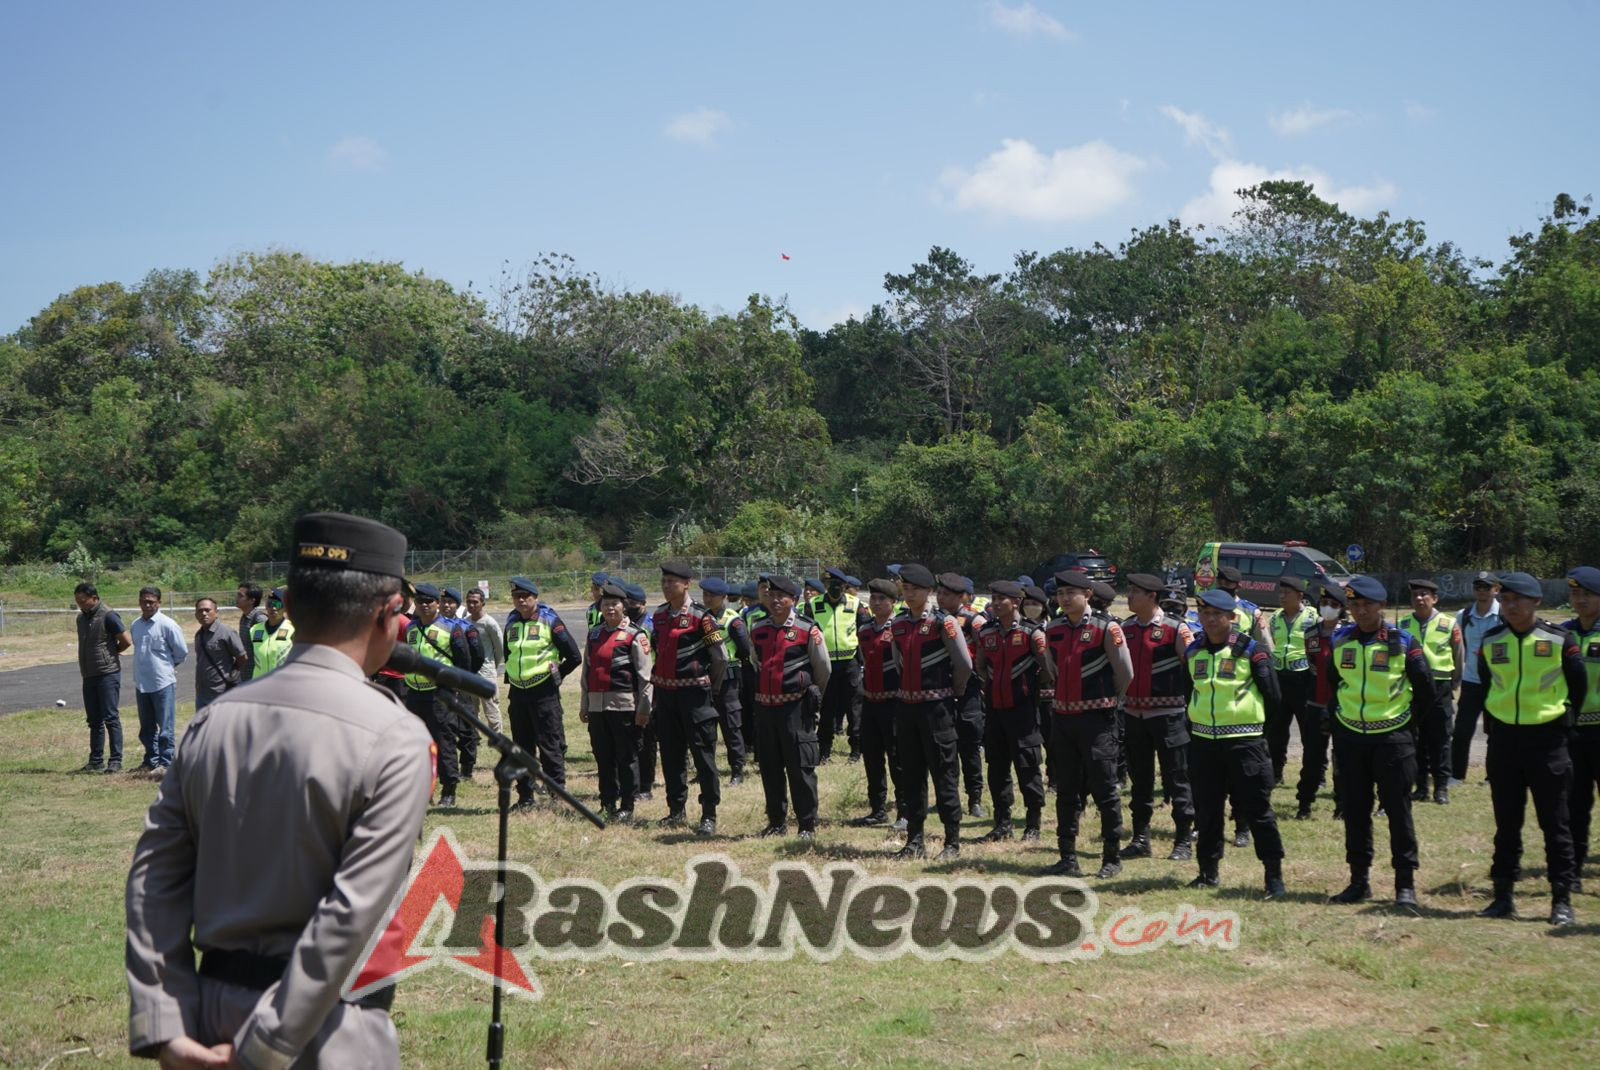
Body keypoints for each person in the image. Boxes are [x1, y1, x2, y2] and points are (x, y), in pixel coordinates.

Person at [125, 511, 431, 1068]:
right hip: (326, 1029)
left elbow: (154, 878)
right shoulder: (394, 737)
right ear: (391, 615)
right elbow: (351, 913)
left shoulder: (212, 721)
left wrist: (164, 1022)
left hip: (207, 1017)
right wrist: (268, 1043)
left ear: (286, 609)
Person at [1475, 571, 1586, 926]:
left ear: (1536, 602)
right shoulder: (1492, 641)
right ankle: (1503, 896)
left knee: (1555, 824)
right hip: (1505, 743)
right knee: (1507, 823)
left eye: (1518, 600)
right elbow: (1487, 686)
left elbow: (1577, 687)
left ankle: (1561, 899)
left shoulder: (1559, 639)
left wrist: (1559, 721)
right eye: (1505, 600)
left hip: (1548, 742)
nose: (1511, 606)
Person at [1319, 575, 1434, 908]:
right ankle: (1358, 880)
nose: (1360, 611)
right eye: (1354, 605)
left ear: (1381, 606)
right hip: (1351, 738)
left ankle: (1405, 885)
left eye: (1367, 605)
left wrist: (1407, 726)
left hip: (1393, 739)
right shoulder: (1341, 641)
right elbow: (1334, 684)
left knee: (1398, 811)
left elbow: (1425, 690)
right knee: (1355, 811)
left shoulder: (1403, 641)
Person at [1180, 588, 1287, 898]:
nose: (1210, 619)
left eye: (1217, 614)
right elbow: (1189, 694)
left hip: (1244, 743)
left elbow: (1274, 698)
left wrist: (1257, 733)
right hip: (1204, 745)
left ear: (1232, 617)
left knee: (1258, 811)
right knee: (1207, 811)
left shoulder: (1252, 651)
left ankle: (1273, 876)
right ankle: (1207, 871)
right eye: (1205, 613)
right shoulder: (1193, 652)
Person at [1040, 572, 1133, 878]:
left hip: (1097, 721)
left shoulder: (1107, 627)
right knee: (1066, 790)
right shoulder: (1052, 629)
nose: (1065, 598)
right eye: (1061, 592)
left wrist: (1106, 701)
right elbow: (1051, 670)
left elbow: (1124, 673)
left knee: (1105, 789)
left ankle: (1111, 858)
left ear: (1088, 594)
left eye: (1072, 592)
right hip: (1063, 719)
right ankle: (1067, 857)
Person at [888, 563, 974, 860]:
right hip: (907, 709)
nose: (909, 595)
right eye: (906, 589)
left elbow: (964, 664)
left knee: (944, 773)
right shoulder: (897, 625)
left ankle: (952, 841)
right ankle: (915, 839)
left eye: (915, 590)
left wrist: (954, 692)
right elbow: (897, 662)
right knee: (911, 774)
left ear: (929, 592)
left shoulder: (943, 623)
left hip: (937, 709)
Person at [1119, 573, 1197, 861]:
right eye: (1128, 591)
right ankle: (1140, 839)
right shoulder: (1125, 628)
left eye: (1134, 592)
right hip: (1133, 715)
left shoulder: (1175, 629)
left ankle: (1183, 841)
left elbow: (1192, 669)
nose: (1128, 596)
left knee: (1177, 779)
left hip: (1169, 716)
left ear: (1151, 596)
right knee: (1140, 781)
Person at [748, 576, 832, 838]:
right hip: (765, 709)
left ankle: (806, 824)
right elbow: (755, 662)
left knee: (800, 768)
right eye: (771, 595)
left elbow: (823, 670)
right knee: (770, 768)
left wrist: (810, 696)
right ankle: (776, 822)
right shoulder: (758, 628)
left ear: (793, 600)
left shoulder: (808, 629)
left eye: (781, 596)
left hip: (795, 709)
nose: (774, 600)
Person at [650, 560, 730, 835]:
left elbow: (720, 657)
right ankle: (675, 809)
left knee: (703, 755)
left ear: (686, 584)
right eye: (663, 582)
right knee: (671, 755)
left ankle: (709, 813)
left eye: (672, 582)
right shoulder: (659, 617)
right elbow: (656, 652)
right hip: (666, 697)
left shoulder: (701, 617)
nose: (666, 586)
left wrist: (711, 689)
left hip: (694, 697)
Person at [971, 580, 1047, 844]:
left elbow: (1047, 670)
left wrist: (1029, 690)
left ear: (1016, 602)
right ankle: (1002, 823)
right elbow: (980, 665)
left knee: (1028, 767)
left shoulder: (1032, 633)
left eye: (1001, 598)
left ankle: (1033, 825)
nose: (995, 602)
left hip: (1023, 711)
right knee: (997, 768)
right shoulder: (986, 632)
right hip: (994, 709)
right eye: (993, 597)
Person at [503, 576, 581, 809]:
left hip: (543, 693)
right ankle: (525, 797)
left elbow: (574, 656)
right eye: (517, 596)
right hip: (518, 693)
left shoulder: (550, 621)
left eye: (526, 596)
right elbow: (509, 654)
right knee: (522, 747)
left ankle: (556, 795)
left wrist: (555, 677)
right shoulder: (512, 621)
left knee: (550, 745)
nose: (521, 600)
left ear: (535, 598)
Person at [580, 581, 653, 821]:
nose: (610, 609)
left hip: (624, 708)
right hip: (598, 707)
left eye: (615, 604)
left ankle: (627, 805)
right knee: (603, 757)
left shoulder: (635, 635)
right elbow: (586, 674)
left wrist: (644, 709)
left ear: (624, 607)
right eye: (606, 604)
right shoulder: (594, 635)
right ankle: (607, 801)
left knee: (626, 757)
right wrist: (584, 704)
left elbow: (645, 678)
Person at [402, 582, 473, 808]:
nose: (424, 605)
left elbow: (464, 661)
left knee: (444, 743)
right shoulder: (411, 628)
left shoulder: (451, 628)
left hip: (439, 696)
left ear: (437, 604)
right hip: (414, 694)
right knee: (416, 745)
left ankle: (449, 790)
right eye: (419, 601)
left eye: (429, 601)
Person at [1396, 579, 1463, 804]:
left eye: (1424, 594)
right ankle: (1421, 787)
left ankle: (1441, 788)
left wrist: (1454, 683)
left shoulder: (1449, 623)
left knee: (1441, 739)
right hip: (1413, 689)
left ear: (1435, 598)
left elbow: (1458, 654)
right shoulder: (1403, 624)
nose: (1419, 599)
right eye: (1415, 595)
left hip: (1440, 687)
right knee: (1416, 739)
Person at [852, 578, 907, 830]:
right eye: (872, 598)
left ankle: (905, 812)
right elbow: (864, 660)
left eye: (881, 599)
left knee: (898, 759)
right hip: (870, 702)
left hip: (894, 702)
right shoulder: (864, 629)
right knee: (872, 758)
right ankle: (877, 809)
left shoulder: (900, 627)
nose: (876, 603)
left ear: (893, 602)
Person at [935, 572, 988, 818]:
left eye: (947, 594)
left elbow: (986, 653)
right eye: (939, 593)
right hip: (941, 689)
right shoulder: (935, 620)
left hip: (969, 690)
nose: (940, 598)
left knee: (970, 745)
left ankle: (974, 797)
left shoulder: (974, 621)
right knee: (945, 747)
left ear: (961, 597)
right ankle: (947, 795)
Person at [1562, 567, 1600, 889]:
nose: (1580, 600)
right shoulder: (1563, 634)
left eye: (1586, 594)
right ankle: (1572, 871)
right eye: (1575, 594)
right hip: (1573, 734)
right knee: (1574, 805)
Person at [1266, 577, 1320, 788]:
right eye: (1280, 593)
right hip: (1281, 678)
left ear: (1299, 596)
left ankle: (1316, 774)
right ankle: (1276, 772)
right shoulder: (1276, 618)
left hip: (1304, 679)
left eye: (1286, 593)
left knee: (1310, 731)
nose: (1282, 597)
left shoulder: (1313, 617)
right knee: (1277, 731)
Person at [1450, 571, 1502, 784]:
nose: (1482, 591)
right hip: (1471, 682)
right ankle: (1456, 775)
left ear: (1496, 589)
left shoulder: (1504, 615)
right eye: (1478, 587)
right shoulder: (1464, 615)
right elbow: (1457, 645)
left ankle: (1493, 776)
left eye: (1487, 587)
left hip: (1497, 683)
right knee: (1462, 731)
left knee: (1496, 733)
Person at [130, 586, 188, 775]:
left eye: (151, 602)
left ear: (159, 603)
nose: (147, 605)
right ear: (139, 602)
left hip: (162, 682)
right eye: (144, 601)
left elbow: (181, 653)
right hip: (142, 683)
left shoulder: (168, 625)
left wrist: (166, 667)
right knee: (146, 727)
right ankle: (151, 760)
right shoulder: (135, 625)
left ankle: (166, 763)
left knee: (165, 726)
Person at [1301, 581, 1346, 819]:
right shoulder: (1310, 633)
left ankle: (1341, 805)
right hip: (1315, 704)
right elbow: (1311, 666)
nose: (1328, 607)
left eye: (1333, 604)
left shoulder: (1347, 634)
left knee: (1342, 760)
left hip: (1341, 707)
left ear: (1341, 608)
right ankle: (1304, 804)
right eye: (1324, 603)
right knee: (1312, 758)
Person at [74, 581, 129, 773]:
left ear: (94, 598)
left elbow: (126, 641)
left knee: (110, 717)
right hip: (89, 675)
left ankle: (115, 760)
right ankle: (95, 760)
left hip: (108, 673)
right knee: (94, 720)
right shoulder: (81, 618)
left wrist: (112, 653)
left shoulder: (109, 615)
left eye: (83, 601)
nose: (80, 605)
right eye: (77, 601)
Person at [700, 577, 750, 784]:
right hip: (705, 678)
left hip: (728, 678)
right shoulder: (701, 617)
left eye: (712, 595)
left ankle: (737, 770)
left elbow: (745, 649)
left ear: (723, 597)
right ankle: (706, 769)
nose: (708, 598)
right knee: (705, 726)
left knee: (731, 725)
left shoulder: (732, 620)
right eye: (705, 594)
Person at [811, 567, 863, 764]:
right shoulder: (813, 605)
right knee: (826, 709)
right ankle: (824, 751)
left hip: (850, 664)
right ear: (825, 585)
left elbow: (863, 633)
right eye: (830, 585)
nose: (834, 588)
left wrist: (862, 663)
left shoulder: (856, 604)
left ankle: (856, 751)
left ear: (845, 586)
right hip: (826, 666)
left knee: (854, 709)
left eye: (838, 585)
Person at [623, 582, 660, 800]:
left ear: (643, 604)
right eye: (626, 602)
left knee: (647, 737)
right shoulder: (625, 623)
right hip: (627, 686)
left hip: (648, 684)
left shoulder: (651, 625)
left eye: (632, 603)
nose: (628, 606)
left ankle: (646, 785)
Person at [191, 597, 248, 711]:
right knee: (203, 727)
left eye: (207, 610)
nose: (204, 613)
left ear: (216, 612)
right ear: (196, 614)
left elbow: (242, 657)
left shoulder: (226, 633)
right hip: (202, 693)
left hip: (222, 693)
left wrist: (231, 675)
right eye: (200, 611)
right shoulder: (199, 635)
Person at [462, 586, 504, 732]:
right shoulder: (465, 622)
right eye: (468, 602)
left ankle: (497, 737)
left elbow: (499, 649)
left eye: (475, 602)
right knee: (471, 708)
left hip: (486, 673)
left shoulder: (489, 623)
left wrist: (492, 666)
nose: (471, 605)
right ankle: (474, 736)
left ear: (482, 603)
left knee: (491, 708)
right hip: (470, 672)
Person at [248, 589, 296, 678]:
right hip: (259, 684)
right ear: (266, 607)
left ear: (285, 608)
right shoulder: (254, 629)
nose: (273, 608)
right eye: (270, 604)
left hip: (283, 684)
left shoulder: (292, 629)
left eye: (277, 605)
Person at [234, 583, 266, 680]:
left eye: (241, 596)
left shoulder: (259, 619)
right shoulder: (244, 617)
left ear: (252, 600)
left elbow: (264, 649)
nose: (237, 598)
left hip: (257, 675)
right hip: (245, 673)